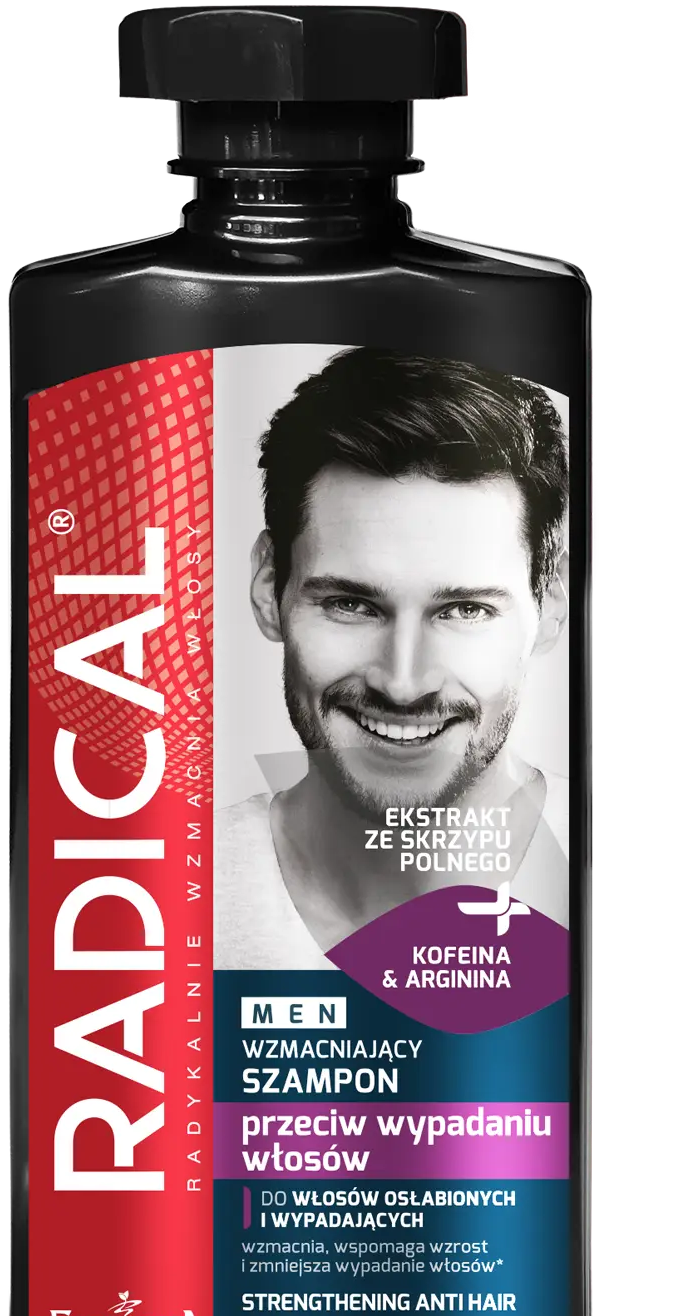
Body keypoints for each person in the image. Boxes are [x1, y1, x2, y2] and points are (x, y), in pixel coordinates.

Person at [216, 348, 570, 970]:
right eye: (351, 605)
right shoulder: (148, 902)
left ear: (551, 607)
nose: (404, 684)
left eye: (465, 610)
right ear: (269, 588)